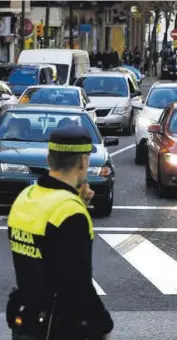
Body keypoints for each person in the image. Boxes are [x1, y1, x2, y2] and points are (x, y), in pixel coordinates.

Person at [6, 126, 113, 340]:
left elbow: (45, 241)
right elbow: (78, 283)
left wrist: (77, 200)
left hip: (25, 320)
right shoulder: (70, 212)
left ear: (49, 159)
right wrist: (103, 325)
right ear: (84, 161)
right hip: (60, 328)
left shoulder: (25, 198)